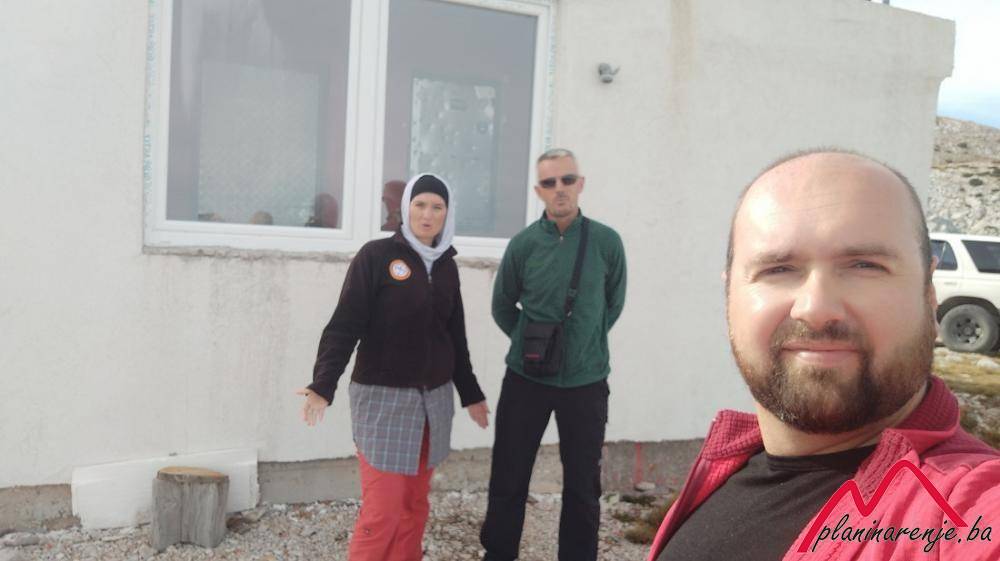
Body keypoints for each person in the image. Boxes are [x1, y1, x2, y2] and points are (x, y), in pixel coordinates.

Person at [648, 150, 1000, 561]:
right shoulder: (726, 467)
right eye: (778, 269)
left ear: (929, 294)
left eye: (864, 265)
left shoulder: (967, 513)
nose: (815, 308)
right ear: (730, 296)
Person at [297, 173, 490, 561]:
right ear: (405, 209)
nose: (427, 214)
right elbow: (345, 324)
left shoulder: (447, 267)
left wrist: (471, 394)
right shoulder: (376, 257)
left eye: (437, 207)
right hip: (382, 401)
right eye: (420, 205)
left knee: (413, 507)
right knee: (383, 511)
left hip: (432, 404)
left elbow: (455, 337)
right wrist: (322, 385)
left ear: (447, 213)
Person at [480, 148, 627, 561]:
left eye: (567, 179)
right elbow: (502, 306)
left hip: (586, 382)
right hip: (525, 380)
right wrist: (532, 344)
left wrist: (580, 345)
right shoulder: (524, 245)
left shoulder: (606, 242)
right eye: (549, 182)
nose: (559, 189)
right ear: (538, 191)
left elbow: (612, 305)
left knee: (583, 486)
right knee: (509, 477)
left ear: (580, 184)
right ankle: (498, 554)